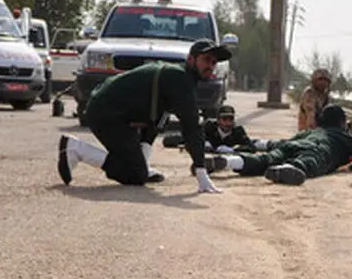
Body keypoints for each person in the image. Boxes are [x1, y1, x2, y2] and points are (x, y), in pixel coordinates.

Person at [57, 40, 230, 194]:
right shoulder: (181, 80)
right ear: (191, 59)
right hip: (107, 114)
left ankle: (142, 165)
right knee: (135, 175)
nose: (211, 66)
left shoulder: (180, 77)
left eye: (214, 62)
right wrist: (201, 173)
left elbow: (157, 118)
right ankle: (76, 149)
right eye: (206, 60)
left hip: (116, 113)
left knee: (158, 123)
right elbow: (191, 127)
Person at [204, 104, 352, 186]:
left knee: (268, 158)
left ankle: (231, 162)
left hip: (296, 144)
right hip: (318, 150)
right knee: (310, 161)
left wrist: (261, 144)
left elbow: (284, 143)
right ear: (342, 123)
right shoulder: (343, 137)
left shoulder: (310, 132)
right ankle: (289, 169)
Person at [162, 103, 270, 153]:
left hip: (228, 148)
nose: (228, 123)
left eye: (230, 119)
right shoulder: (209, 126)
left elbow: (251, 148)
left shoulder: (237, 130)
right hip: (207, 144)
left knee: (258, 143)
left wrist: (234, 149)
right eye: (224, 119)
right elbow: (190, 138)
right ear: (218, 120)